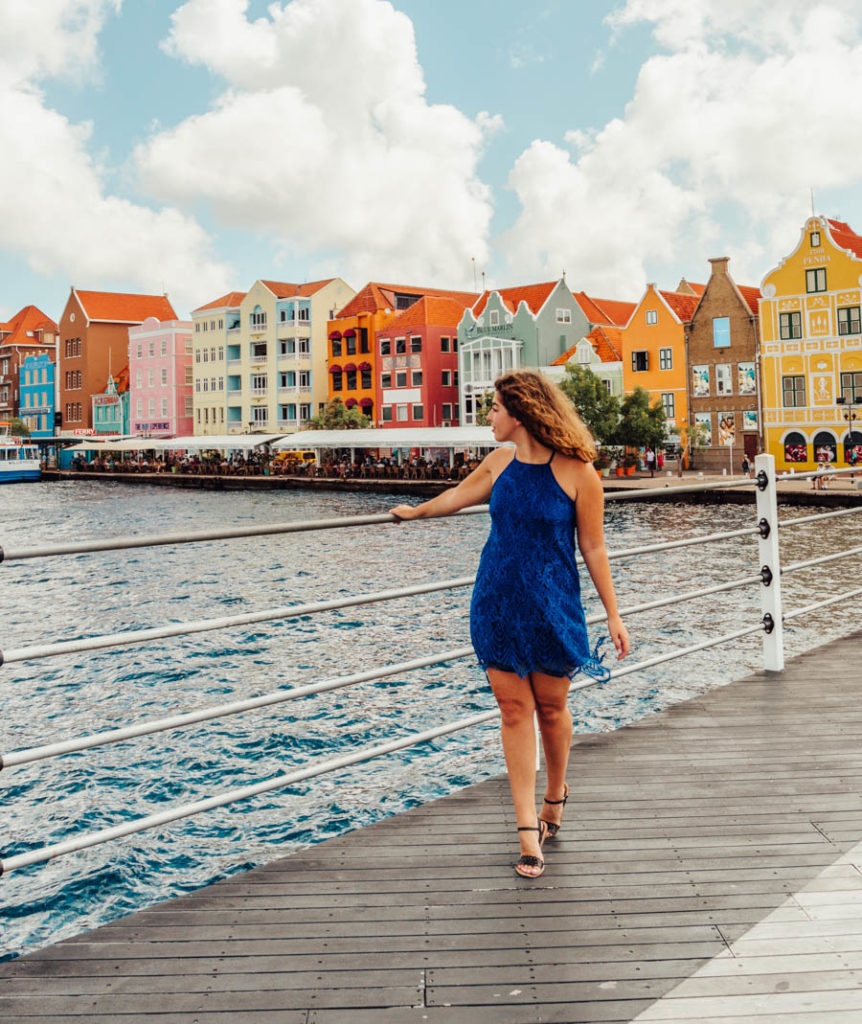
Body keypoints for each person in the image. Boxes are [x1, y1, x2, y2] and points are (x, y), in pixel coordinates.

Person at [390, 371, 630, 880]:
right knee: (514, 712)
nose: (489, 418)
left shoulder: (579, 472)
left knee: (552, 707)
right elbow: (456, 496)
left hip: (553, 608)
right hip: (497, 603)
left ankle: (554, 795)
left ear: (520, 413)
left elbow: (593, 546)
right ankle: (526, 831)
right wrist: (414, 513)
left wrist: (612, 613)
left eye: (494, 408)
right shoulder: (499, 464)